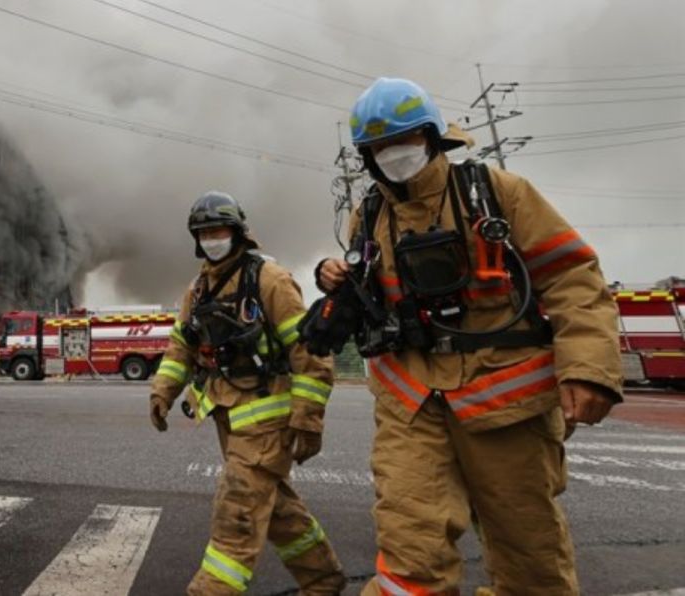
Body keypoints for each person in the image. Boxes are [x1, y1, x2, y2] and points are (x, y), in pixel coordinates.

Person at [313, 77, 623, 595]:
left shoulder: (498, 194)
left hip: (507, 406)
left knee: (529, 558)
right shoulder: (367, 218)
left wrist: (588, 367)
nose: (394, 155)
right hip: (411, 404)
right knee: (410, 550)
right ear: (365, 157)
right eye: (380, 148)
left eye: (405, 141)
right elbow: (374, 298)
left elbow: (572, 277)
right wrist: (337, 280)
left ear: (434, 137)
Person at [150, 191, 345, 596]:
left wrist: (308, 420)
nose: (211, 237)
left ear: (237, 232)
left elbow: (310, 353)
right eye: (203, 232)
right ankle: (323, 581)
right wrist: (162, 392)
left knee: (236, 513)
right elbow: (180, 346)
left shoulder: (269, 280)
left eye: (218, 229)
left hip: (268, 420)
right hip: (228, 415)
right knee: (278, 511)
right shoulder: (199, 289)